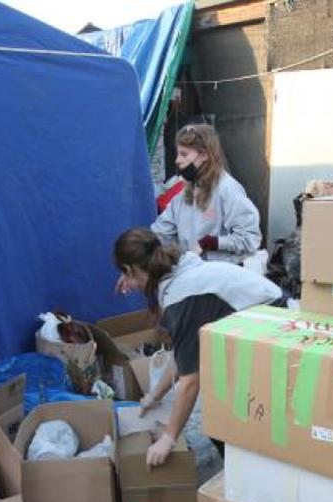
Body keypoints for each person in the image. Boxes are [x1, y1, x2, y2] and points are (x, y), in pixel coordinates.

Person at [113, 227, 280, 467]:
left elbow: (191, 380)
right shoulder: (176, 272)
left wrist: (168, 438)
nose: (130, 286)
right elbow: (184, 355)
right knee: (221, 413)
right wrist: (154, 396)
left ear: (129, 269)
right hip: (259, 327)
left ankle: (243, 477)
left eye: (126, 274)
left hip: (276, 329)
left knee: (226, 419)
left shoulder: (181, 297)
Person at [150, 123, 261, 265]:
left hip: (223, 277)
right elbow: (160, 233)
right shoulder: (184, 194)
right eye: (178, 154)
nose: (177, 160)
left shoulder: (227, 189)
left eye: (184, 154)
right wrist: (139, 245)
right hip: (193, 273)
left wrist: (214, 242)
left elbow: (250, 239)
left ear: (204, 155)